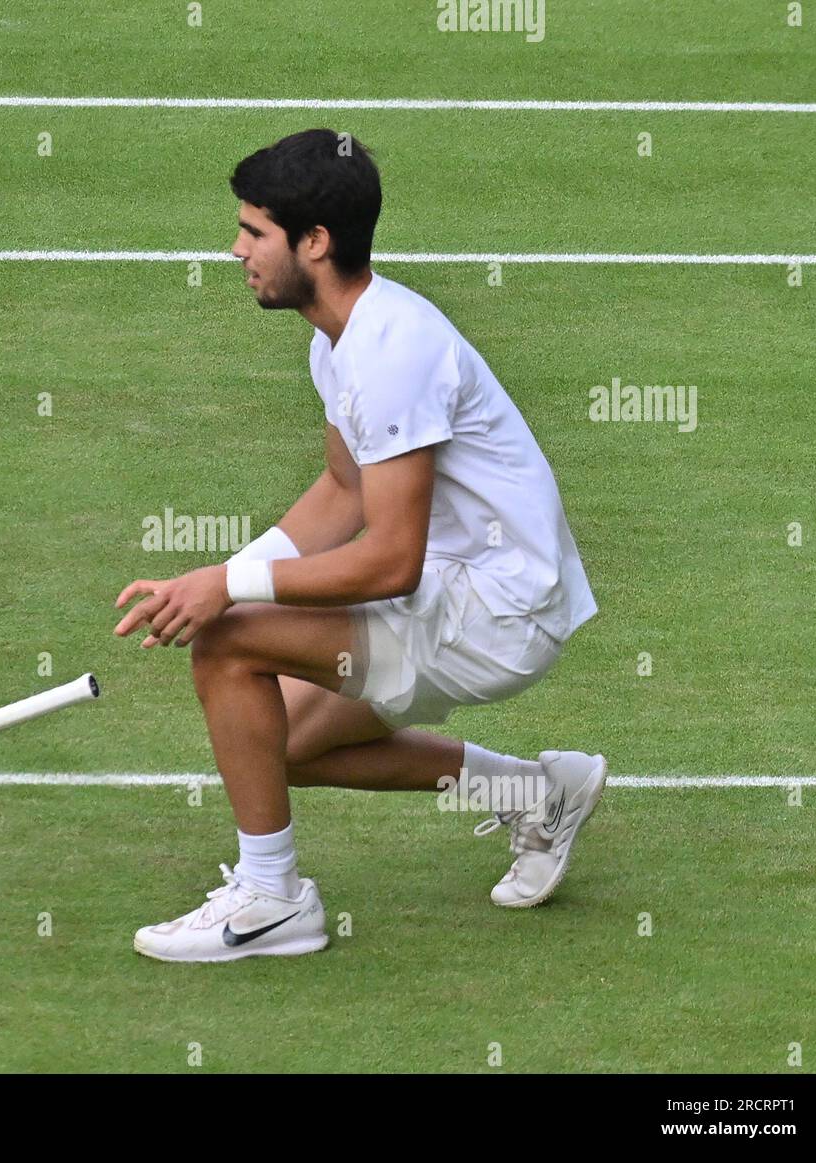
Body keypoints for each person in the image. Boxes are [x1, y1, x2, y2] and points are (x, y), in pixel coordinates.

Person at [114, 129, 603, 963]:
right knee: (285, 745)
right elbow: (344, 492)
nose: (237, 250)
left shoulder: (390, 353)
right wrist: (218, 574)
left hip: (496, 608)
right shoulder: (339, 338)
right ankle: (533, 791)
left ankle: (273, 900)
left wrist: (225, 591)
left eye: (254, 232)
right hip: (460, 585)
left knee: (228, 643)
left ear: (315, 242)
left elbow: (389, 562)